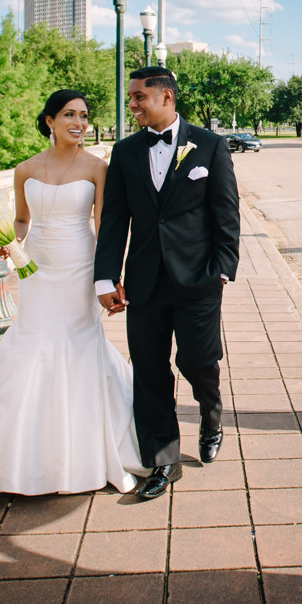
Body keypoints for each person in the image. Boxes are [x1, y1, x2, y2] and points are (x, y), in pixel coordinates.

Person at [0, 90, 146, 495]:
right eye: (69, 114)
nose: (79, 123)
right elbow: (21, 219)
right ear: (49, 120)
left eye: (84, 116)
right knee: (30, 341)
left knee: (78, 342)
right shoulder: (25, 169)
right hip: (36, 269)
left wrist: (109, 277)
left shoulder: (98, 167)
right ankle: (18, 450)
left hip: (80, 263)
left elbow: (105, 225)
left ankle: (83, 450)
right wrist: (8, 242)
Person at [94, 67, 242, 500]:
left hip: (198, 279)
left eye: (139, 97)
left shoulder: (210, 146)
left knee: (197, 362)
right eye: (131, 98)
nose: (133, 105)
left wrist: (222, 268)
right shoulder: (123, 153)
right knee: (150, 371)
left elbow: (227, 213)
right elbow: (114, 220)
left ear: (166, 97)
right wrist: (107, 275)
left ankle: (211, 415)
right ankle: (163, 462)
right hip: (144, 282)